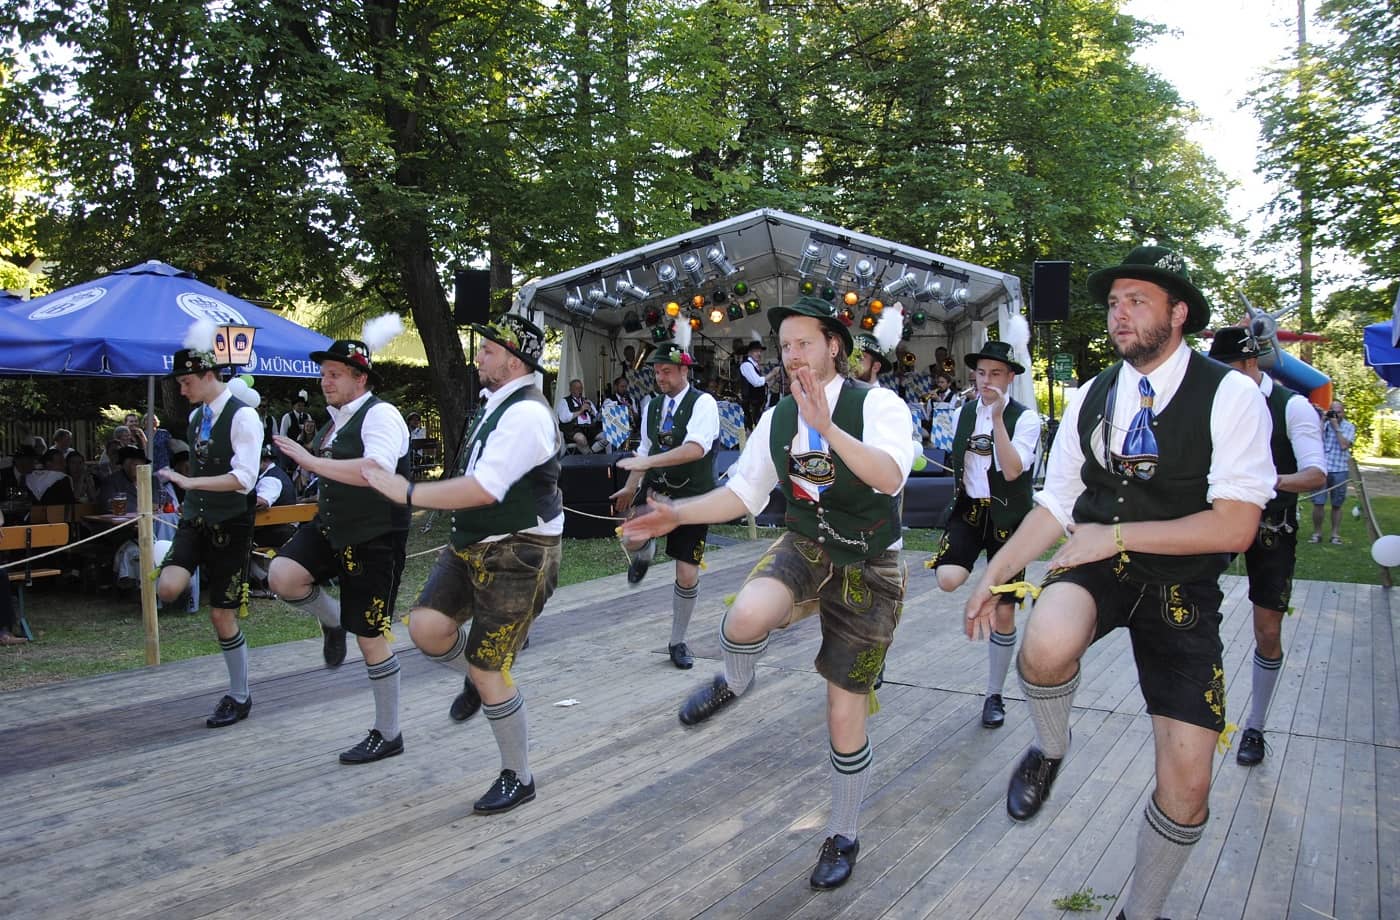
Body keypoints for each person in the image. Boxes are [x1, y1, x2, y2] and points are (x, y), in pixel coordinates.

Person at [962, 246, 1274, 920]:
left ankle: (1144, 909)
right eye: (1112, 303)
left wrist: (1119, 534)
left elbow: (1236, 527)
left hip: (1182, 588)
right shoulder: (1090, 394)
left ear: (1178, 312)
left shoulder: (1232, 395)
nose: (1118, 314)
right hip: (1099, 562)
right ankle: (1050, 747)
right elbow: (1057, 505)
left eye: (1136, 300)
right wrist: (997, 570)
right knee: (1042, 646)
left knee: (1188, 787)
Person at [622, 295, 915, 891]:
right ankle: (735, 679)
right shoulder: (778, 416)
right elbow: (744, 495)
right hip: (807, 546)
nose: (793, 355)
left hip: (869, 564)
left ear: (835, 345)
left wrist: (827, 426)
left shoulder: (876, 404)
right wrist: (676, 513)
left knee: (843, 713)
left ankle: (843, 831)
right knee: (743, 619)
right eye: (785, 346)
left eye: (804, 343)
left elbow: (888, 478)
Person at [363, 313, 562, 812]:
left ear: (514, 361)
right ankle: (477, 675)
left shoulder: (527, 414)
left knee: (489, 667)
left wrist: (408, 491)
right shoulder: (497, 404)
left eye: (488, 351)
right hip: (474, 543)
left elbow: (484, 488)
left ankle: (520, 775)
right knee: (427, 628)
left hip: (520, 552)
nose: (478, 358)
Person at [270, 336, 412, 765]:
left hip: (375, 536)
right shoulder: (337, 420)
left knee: (370, 637)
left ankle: (388, 733)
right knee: (283, 576)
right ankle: (333, 622)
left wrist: (309, 461)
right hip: (332, 527)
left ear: (360, 377)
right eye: (323, 373)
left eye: (334, 374)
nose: (324, 381)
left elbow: (375, 470)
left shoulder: (381, 414)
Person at [1206, 327, 1325, 767]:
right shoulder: (1216, 402)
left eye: (1227, 369)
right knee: (1189, 610)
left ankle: (1255, 725)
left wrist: (1266, 481)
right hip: (1217, 522)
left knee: (1267, 630)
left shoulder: (1291, 406)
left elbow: (1316, 475)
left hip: (1272, 525)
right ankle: (1199, 710)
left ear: (1251, 365)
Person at [927, 340, 1041, 728]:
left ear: (1010, 378)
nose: (987, 381)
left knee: (1005, 611)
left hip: (1009, 516)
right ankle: (978, 587)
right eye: (981, 373)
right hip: (971, 509)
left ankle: (995, 693)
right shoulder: (962, 413)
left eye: (996, 374)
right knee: (947, 578)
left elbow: (1012, 471)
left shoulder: (1026, 419)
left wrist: (996, 421)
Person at [155, 344, 262, 729]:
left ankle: (239, 695)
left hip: (232, 524)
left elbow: (244, 480)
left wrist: (189, 481)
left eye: (186, 382)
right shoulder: (198, 415)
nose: (182, 390)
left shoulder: (244, 417)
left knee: (221, 615)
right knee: (167, 588)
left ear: (207, 375)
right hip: (195, 519)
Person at [611, 339, 720, 669]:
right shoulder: (652, 406)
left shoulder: (705, 404)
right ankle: (645, 552)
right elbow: (643, 452)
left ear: (685, 370)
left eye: (667, 371)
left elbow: (695, 449)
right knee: (630, 537)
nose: (660, 378)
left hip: (694, 499)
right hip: (659, 491)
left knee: (687, 575)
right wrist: (629, 489)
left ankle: (677, 641)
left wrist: (646, 463)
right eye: (657, 372)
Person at [247, 444, 300, 597]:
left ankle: (263, 583)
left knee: (236, 540)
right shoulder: (277, 474)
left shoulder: (270, 479)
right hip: (283, 528)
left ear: (262, 461)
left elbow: (262, 501)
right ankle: (261, 581)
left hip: (277, 531)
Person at [1310, 398, 1355, 545]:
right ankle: (1317, 533)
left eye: (1339, 411)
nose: (1336, 414)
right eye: (1333, 411)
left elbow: (1343, 445)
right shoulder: (1324, 425)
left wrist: (1336, 427)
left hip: (1340, 469)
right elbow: (1314, 440)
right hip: (1322, 469)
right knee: (1318, 502)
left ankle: (1335, 534)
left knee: (1337, 504)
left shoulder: (1349, 427)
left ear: (1344, 412)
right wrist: (1322, 421)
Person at [738, 337, 781, 429]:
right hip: (751, 405)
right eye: (756, 351)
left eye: (760, 351)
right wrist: (772, 372)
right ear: (749, 352)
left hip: (758, 405)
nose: (759, 353)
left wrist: (774, 380)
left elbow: (763, 386)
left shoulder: (754, 366)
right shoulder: (747, 365)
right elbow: (757, 382)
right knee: (751, 429)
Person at [556, 378, 606, 453]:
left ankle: (590, 453)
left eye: (581, 388)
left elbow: (597, 417)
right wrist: (580, 411)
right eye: (576, 388)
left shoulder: (586, 401)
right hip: (573, 429)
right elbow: (564, 418)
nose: (579, 390)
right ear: (571, 390)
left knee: (607, 436)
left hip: (589, 428)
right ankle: (590, 457)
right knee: (581, 439)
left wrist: (591, 411)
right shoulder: (564, 401)